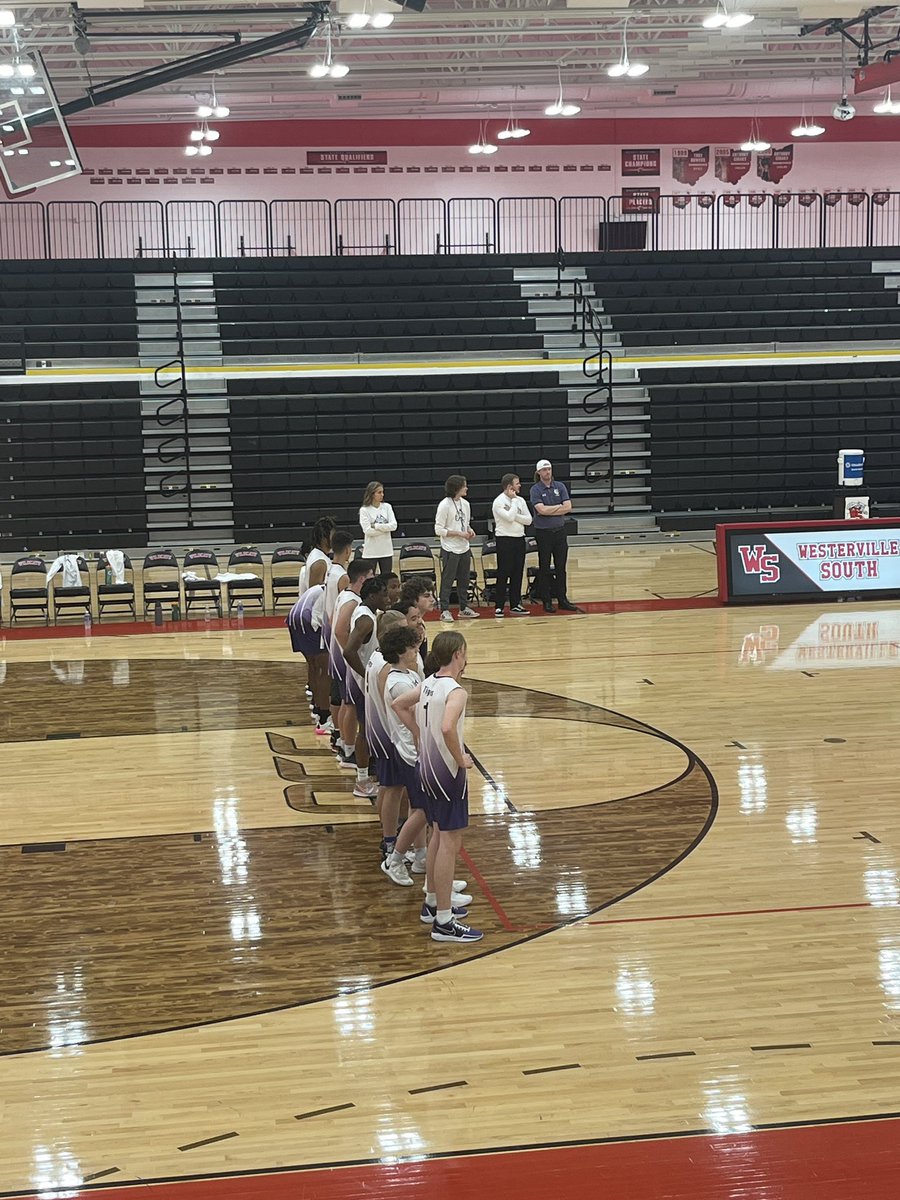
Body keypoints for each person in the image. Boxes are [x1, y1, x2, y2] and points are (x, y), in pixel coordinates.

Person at [392, 631, 483, 944]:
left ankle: (432, 902)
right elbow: (446, 727)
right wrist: (462, 759)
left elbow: (398, 704)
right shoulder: (456, 691)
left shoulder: (428, 682)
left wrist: (419, 734)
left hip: (425, 770)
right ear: (458, 654)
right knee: (448, 841)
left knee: (436, 833)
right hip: (446, 773)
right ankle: (444, 921)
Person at [344, 575, 391, 799]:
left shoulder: (366, 613)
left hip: (357, 680)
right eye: (384, 594)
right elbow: (348, 651)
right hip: (362, 682)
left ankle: (366, 775)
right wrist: (366, 676)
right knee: (364, 732)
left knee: (366, 730)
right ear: (372, 595)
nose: (388, 597)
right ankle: (362, 781)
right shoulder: (366, 620)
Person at [331, 558, 375, 771]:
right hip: (346, 659)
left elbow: (332, 621)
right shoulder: (353, 602)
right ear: (362, 578)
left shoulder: (345, 595)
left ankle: (344, 745)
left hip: (342, 657)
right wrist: (350, 651)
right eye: (372, 576)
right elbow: (339, 630)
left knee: (345, 703)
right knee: (349, 706)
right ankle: (348, 751)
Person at [529, 459, 580, 613]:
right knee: (544, 567)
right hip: (543, 533)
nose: (547, 472)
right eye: (544, 470)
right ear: (539, 472)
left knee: (561, 567)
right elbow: (541, 510)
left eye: (549, 469)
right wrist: (559, 507)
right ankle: (546, 601)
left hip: (559, 532)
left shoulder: (560, 486)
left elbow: (568, 507)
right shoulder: (535, 489)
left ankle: (562, 599)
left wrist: (552, 509)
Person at [286, 582, 330, 733]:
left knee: (313, 665)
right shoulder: (334, 591)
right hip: (306, 620)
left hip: (293, 617)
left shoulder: (319, 588)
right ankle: (324, 718)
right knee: (324, 669)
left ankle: (317, 706)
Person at [434, 474, 479, 623]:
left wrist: (469, 530)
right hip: (450, 548)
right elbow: (438, 529)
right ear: (456, 488)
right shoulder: (444, 505)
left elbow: (465, 523)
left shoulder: (466, 504)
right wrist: (458, 533)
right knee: (447, 580)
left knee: (464, 580)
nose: (467, 488)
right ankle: (444, 610)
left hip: (464, 547)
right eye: (464, 485)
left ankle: (464, 608)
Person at [491, 472, 532, 618]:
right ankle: (499, 606)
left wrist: (515, 515)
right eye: (517, 483)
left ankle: (515, 604)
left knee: (517, 572)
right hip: (504, 540)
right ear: (510, 487)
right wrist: (514, 504)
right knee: (503, 573)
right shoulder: (499, 502)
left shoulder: (521, 500)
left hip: (519, 539)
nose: (520, 485)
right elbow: (508, 518)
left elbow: (528, 520)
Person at [359, 481, 397, 576]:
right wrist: (385, 530)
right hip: (371, 552)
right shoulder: (364, 510)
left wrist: (376, 526)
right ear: (372, 494)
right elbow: (367, 531)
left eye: (382, 492)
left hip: (386, 551)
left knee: (387, 579)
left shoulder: (387, 507)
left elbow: (394, 526)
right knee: (369, 579)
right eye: (379, 492)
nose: (382, 495)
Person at [298, 516, 336, 596]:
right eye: (332, 535)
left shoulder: (320, 556)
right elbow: (315, 595)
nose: (335, 538)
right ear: (324, 537)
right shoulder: (319, 562)